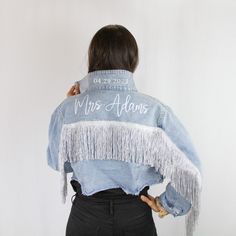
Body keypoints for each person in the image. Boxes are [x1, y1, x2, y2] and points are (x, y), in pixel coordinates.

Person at [47, 24, 202, 236]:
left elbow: (58, 162)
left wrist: (70, 109)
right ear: (132, 60)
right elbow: (190, 170)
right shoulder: (155, 110)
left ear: (92, 59)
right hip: (135, 217)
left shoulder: (67, 110)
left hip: (86, 218)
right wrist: (168, 204)